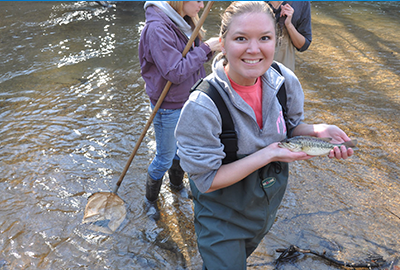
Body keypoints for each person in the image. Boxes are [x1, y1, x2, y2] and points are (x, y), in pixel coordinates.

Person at [175, 2, 353, 269]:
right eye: (241, 39)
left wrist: (318, 131)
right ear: (222, 43)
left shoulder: (285, 80)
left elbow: (291, 129)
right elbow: (206, 180)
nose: (254, 49)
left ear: (276, 40)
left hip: (264, 211)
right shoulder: (202, 106)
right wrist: (269, 153)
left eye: (265, 38)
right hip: (221, 220)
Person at [138, 1, 220, 220]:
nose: (202, 6)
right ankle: (150, 200)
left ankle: (175, 187)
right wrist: (206, 48)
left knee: (181, 151)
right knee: (164, 157)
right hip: (168, 105)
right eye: (198, 0)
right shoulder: (157, 28)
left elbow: (189, 61)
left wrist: (208, 52)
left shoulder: (181, 21)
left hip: (187, 98)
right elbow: (174, 71)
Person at [267, 1, 312, 71]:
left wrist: (289, 25)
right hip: (255, 65)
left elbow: (303, 45)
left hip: (284, 69)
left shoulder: (302, 3)